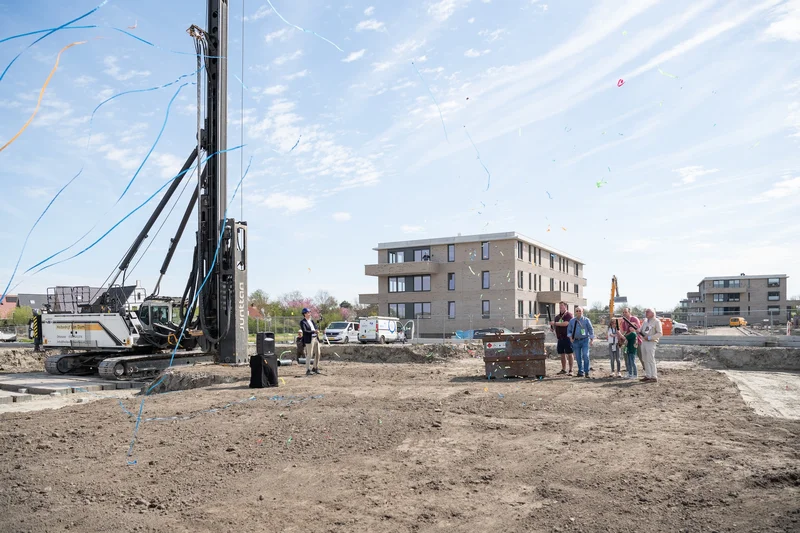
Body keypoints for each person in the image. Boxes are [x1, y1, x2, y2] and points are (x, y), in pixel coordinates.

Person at [568, 306, 595, 378]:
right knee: (578, 357)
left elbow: (591, 330)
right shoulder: (572, 321)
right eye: (577, 311)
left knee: (586, 355)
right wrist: (571, 338)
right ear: (575, 312)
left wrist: (592, 339)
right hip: (576, 341)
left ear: (582, 311)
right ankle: (580, 371)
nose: (578, 312)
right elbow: (569, 331)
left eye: (580, 311)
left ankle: (587, 371)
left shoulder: (586, 320)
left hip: (585, 340)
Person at [637, 308, 663, 382]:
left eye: (648, 312)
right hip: (644, 342)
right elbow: (641, 330)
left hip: (651, 342)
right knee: (645, 359)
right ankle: (648, 375)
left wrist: (649, 337)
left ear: (653, 313)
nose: (646, 313)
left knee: (650, 359)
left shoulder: (657, 322)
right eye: (646, 312)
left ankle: (654, 376)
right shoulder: (645, 321)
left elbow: (660, 333)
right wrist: (638, 331)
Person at [549, 301, 574, 375]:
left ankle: (571, 370)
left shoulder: (569, 315)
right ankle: (563, 369)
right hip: (560, 338)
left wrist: (555, 323)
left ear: (565, 307)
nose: (560, 307)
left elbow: (566, 323)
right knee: (562, 354)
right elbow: (555, 326)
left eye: (562, 306)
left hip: (567, 337)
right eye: (560, 306)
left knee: (569, 353)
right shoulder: (557, 317)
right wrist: (552, 327)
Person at [620, 308, 643, 373]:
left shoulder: (634, 319)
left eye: (625, 312)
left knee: (641, 356)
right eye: (623, 312)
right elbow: (624, 331)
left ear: (629, 312)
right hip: (628, 342)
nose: (624, 313)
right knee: (626, 356)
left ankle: (646, 370)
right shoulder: (624, 322)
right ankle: (629, 370)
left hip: (636, 341)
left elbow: (638, 329)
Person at [300, 308, 321, 376]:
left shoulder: (311, 321)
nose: (309, 313)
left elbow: (315, 327)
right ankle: (308, 369)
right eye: (308, 312)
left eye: (309, 312)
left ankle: (315, 367)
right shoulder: (303, 322)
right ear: (305, 314)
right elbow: (305, 331)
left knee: (318, 353)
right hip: (309, 339)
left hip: (315, 338)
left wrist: (317, 330)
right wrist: (313, 331)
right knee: (310, 354)